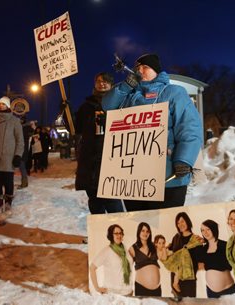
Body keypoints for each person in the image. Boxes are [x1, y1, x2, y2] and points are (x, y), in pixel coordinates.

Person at [102, 53, 203, 211]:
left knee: (165, 229)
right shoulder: (129, 96)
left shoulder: (175, 93)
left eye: (145, 67)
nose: (140, 71)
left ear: (156, 71)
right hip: (134, 181)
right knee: (141, 230)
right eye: (138, 68)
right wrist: (125, 86)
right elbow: (107, 105)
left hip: (168, 178)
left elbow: (190, 129)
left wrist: (184, 160)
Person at [75, 72, 124, 214]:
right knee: (95, 201)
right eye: (99, 81)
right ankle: (99, 235)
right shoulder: (86, 106)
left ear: (111, 84)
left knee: (113, 201)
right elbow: (76, 128)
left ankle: (120, 233)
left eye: (105, 81)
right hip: (90, 161)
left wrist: (109, 120)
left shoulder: (119, 103)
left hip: (111, 158)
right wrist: (65, 112)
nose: (102, 83)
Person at [164, 212, 203, 298]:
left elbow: (200, 261)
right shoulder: (176, 238)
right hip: (175, 278)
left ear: (187, 222)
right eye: (178, 223)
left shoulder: (196, 240)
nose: (180, 224)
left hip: (188, 279)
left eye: (182, 221)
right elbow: (170, 254)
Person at [196, 219, 235, 298]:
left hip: (227, 290)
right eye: (202, 230)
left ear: (214, 229)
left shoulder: (225, 245)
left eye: (208, 229)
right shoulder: (203, 249)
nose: (205, 232)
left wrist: (208, 264)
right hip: (210, 291)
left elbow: (229, 265)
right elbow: (198, 266)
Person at [89, 224, 133, 296]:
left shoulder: (125, 248)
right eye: (116, 233)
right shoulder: (107, 251)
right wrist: (97, 288)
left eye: (121, 233)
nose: (119, 235)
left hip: (128, 292)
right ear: (111, 235)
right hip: (113, 294)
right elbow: (92, 268)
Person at [128, 222, 161, 296]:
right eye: (143, 230)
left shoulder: (154, 246)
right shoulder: (133, 248)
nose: (145, 233)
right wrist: (129, 288)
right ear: (138, 232)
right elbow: (128, 269)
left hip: (157, 288)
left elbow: (164, 258)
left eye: (147, 231)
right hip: (141, 288)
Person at [17, 116, 33, 189]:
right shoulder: (25, 128)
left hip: (22, 151)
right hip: (23, 150)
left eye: (21, 120)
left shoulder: (24, 129)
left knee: (22, 167)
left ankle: (24, 183)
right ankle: (24, 182)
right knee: (22, 167)